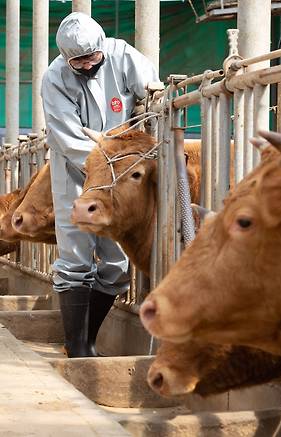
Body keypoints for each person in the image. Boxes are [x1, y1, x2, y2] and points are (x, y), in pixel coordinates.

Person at [41, 12, 158, 357]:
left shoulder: (122, 55)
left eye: (93, 56)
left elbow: (151, 90)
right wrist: (101, 162)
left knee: (116, 261)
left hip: (120, 175)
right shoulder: (54, 78)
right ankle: (77, 347)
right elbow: (65, 135)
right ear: (66, 58)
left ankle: (88, 338)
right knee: (75, 252)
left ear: (102, 46)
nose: (88, 63)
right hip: (76, 171)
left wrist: (154, 93)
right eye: (79, 60)